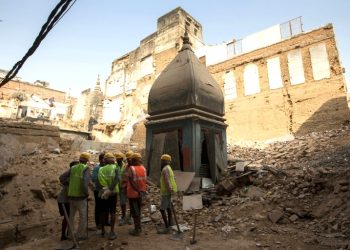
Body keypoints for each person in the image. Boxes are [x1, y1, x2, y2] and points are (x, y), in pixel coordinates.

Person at [59, 153, 91, 240]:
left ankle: (70, 235)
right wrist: (86, 193)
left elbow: (61, 177)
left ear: (80, 159)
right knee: (83, 216)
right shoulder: (86, 168)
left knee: (71, 216)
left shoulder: (73, 168)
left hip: (71, 196)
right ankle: (80, 235)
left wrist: (68, 184)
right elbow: (85, 183)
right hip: (80, 197)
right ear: (87, 161)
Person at [98, 152, 120, 240]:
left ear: (105, 160)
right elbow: (117, 179)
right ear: (112, 159)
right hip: (113, 193)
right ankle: (112, 231)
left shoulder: (101, 169)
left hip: (104, 193)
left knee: (103, 211)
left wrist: (106, 190)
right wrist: (111, 189)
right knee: (113, 212)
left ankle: (103, 230)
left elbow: (100, 181)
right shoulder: (116, 168)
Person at [57, 160, 79, 240]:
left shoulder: (74, 177)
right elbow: (61, 178)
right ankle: (63, 235)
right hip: (64, 200)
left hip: (68, 200)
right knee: (67, 217)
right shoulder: (70, 177)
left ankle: (67, 233)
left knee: (69, 217)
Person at [127, 153, 147, 236]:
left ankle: (136, 229)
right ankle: (139, 227)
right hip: (141, 193)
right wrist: (141, 191)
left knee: (135, 212)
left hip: (133, 193)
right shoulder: (143, 168)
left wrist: (137, 190)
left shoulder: (131, 169)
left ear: (133, 160)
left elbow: (131, 181)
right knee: (138, 210)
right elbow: (144, 181)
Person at [158, 154, 178, 234]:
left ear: (165, 161)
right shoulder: (169, 168)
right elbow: (173, 179)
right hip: (170, 191)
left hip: (166, 192)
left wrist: (169, 190)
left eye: (162, 160)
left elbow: (167, 181)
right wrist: (172, 190)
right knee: (169, 207)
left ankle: (166, 227)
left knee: (162, 209)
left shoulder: (165, 169)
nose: (161, 162)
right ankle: (170, 223)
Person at [117, 151, 131, 226]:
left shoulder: (128, 166)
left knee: (131, 202)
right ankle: (123, 216)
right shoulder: (125, 166)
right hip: (122, 187)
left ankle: (130, 217)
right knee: (123, 202)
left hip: (130, 188)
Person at [91, 152, 105, 229]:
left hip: (106, 190)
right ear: (99, 160)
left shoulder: (108, 167)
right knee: (99, 207)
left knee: (106, 206)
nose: (103, 161)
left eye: (104, 159)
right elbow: (94, 179)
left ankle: (105, 221)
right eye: (102, 159)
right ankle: (98, 223)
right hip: (98, 190)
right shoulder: (97, 168)